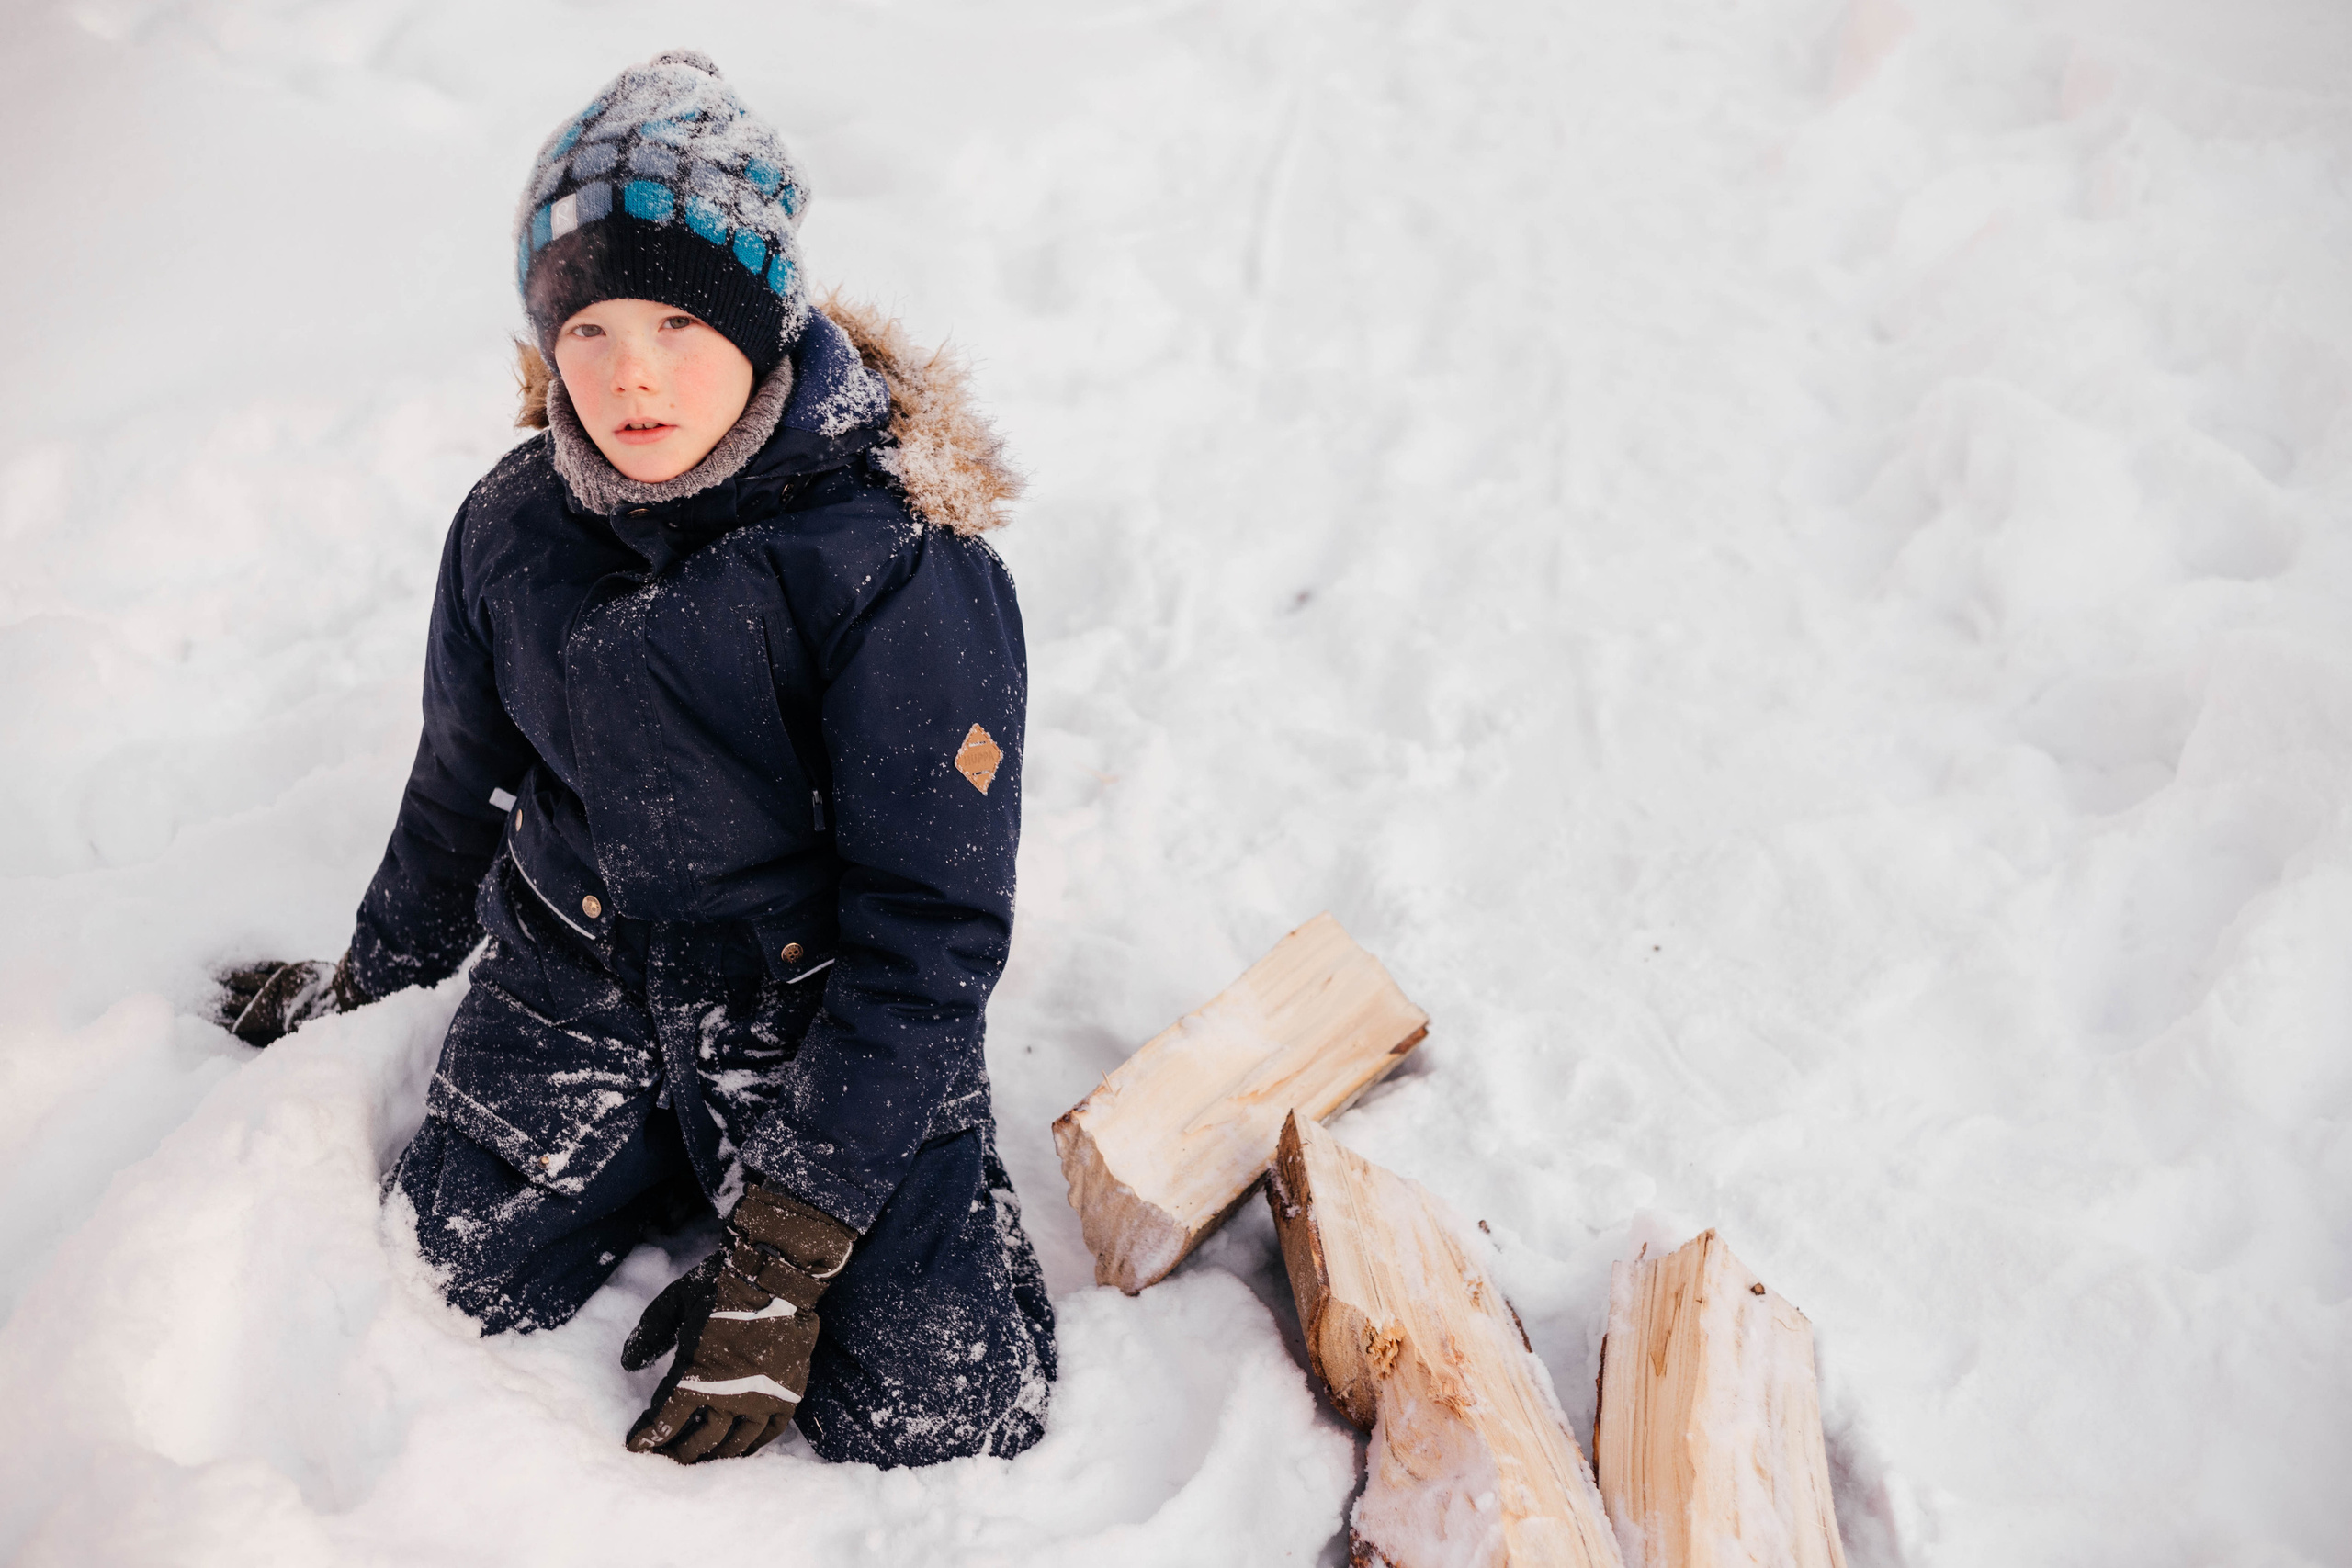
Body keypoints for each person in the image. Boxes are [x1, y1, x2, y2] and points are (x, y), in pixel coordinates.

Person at [216, 48, 1053, 1469]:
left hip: (802, 1002)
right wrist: (372, 986)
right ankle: (654, 1155)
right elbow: (459, 790)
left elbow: (931, 931)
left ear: (766, 320)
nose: (631, 374)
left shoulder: (896, 567)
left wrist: (790, 1248)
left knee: (934, 1413)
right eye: (586, 327)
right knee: (452, 1273)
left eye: (678, 317)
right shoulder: (514, 526)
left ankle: (844, 1191)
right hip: (579, 967)